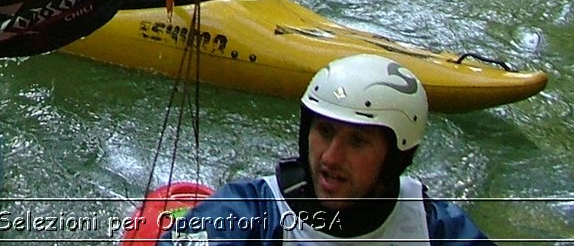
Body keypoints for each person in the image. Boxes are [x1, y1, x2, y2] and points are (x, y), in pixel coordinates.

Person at [157, 53, 493, 244]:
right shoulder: (250, 214)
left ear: (396, 157)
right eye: (325, 131)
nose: (330, 158)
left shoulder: (439, 230)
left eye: (358, 141)